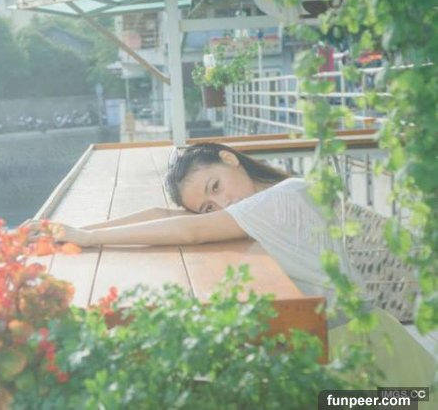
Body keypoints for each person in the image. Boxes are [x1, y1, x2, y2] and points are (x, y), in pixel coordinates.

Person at [22, 142, 436, 392]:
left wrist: (89, 238)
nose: (223, 204)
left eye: (216, 186)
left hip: (366, 350)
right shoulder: (263, 204)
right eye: (209, 206)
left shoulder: (286, 196)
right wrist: (75, 231)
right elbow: (165, 216)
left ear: (229, 158)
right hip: (338, 343)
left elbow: (189, 231)